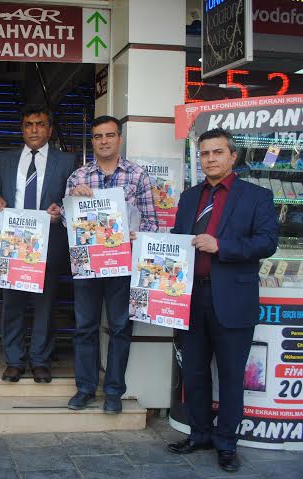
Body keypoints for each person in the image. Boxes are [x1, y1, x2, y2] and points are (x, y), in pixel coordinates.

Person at [167, 128, 278, 472]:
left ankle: (227, 443)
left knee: (230, 376)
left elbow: (267, 242)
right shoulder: (190, 197)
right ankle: (199, 434)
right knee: (194, 372)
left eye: (217, 152)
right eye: (204, 153)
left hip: (232, 299)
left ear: (233, 156)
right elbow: (177, 240)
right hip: (190, 297)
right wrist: (144, 243)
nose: (210, 159)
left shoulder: (256, 196)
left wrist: (222, 246)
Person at [65, 115, 158, 413]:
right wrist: (73, 202)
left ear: (119, 138)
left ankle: (114, 392)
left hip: (123, 263)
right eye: (98, 136)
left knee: (120, 328)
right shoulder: (78, 177)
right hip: (87, 264)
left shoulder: (138, 176)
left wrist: (136, 235)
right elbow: (67, 223)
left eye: (109, 135)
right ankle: (85, 388)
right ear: (92, 141)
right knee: (85, 327)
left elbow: (152, 223)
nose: (104, 141)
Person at [0, 105, 76, 383]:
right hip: (12, 243)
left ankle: (40, 360)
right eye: (28, 124)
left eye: (40, 124)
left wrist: (62, 210)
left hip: (49, 242)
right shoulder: (6, 160)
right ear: (22, 129)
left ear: (49, 130)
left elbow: (74, 200)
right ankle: (14, 361)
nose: (34, 129)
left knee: (45, 306)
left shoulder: (67, 161)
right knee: (12, 305)